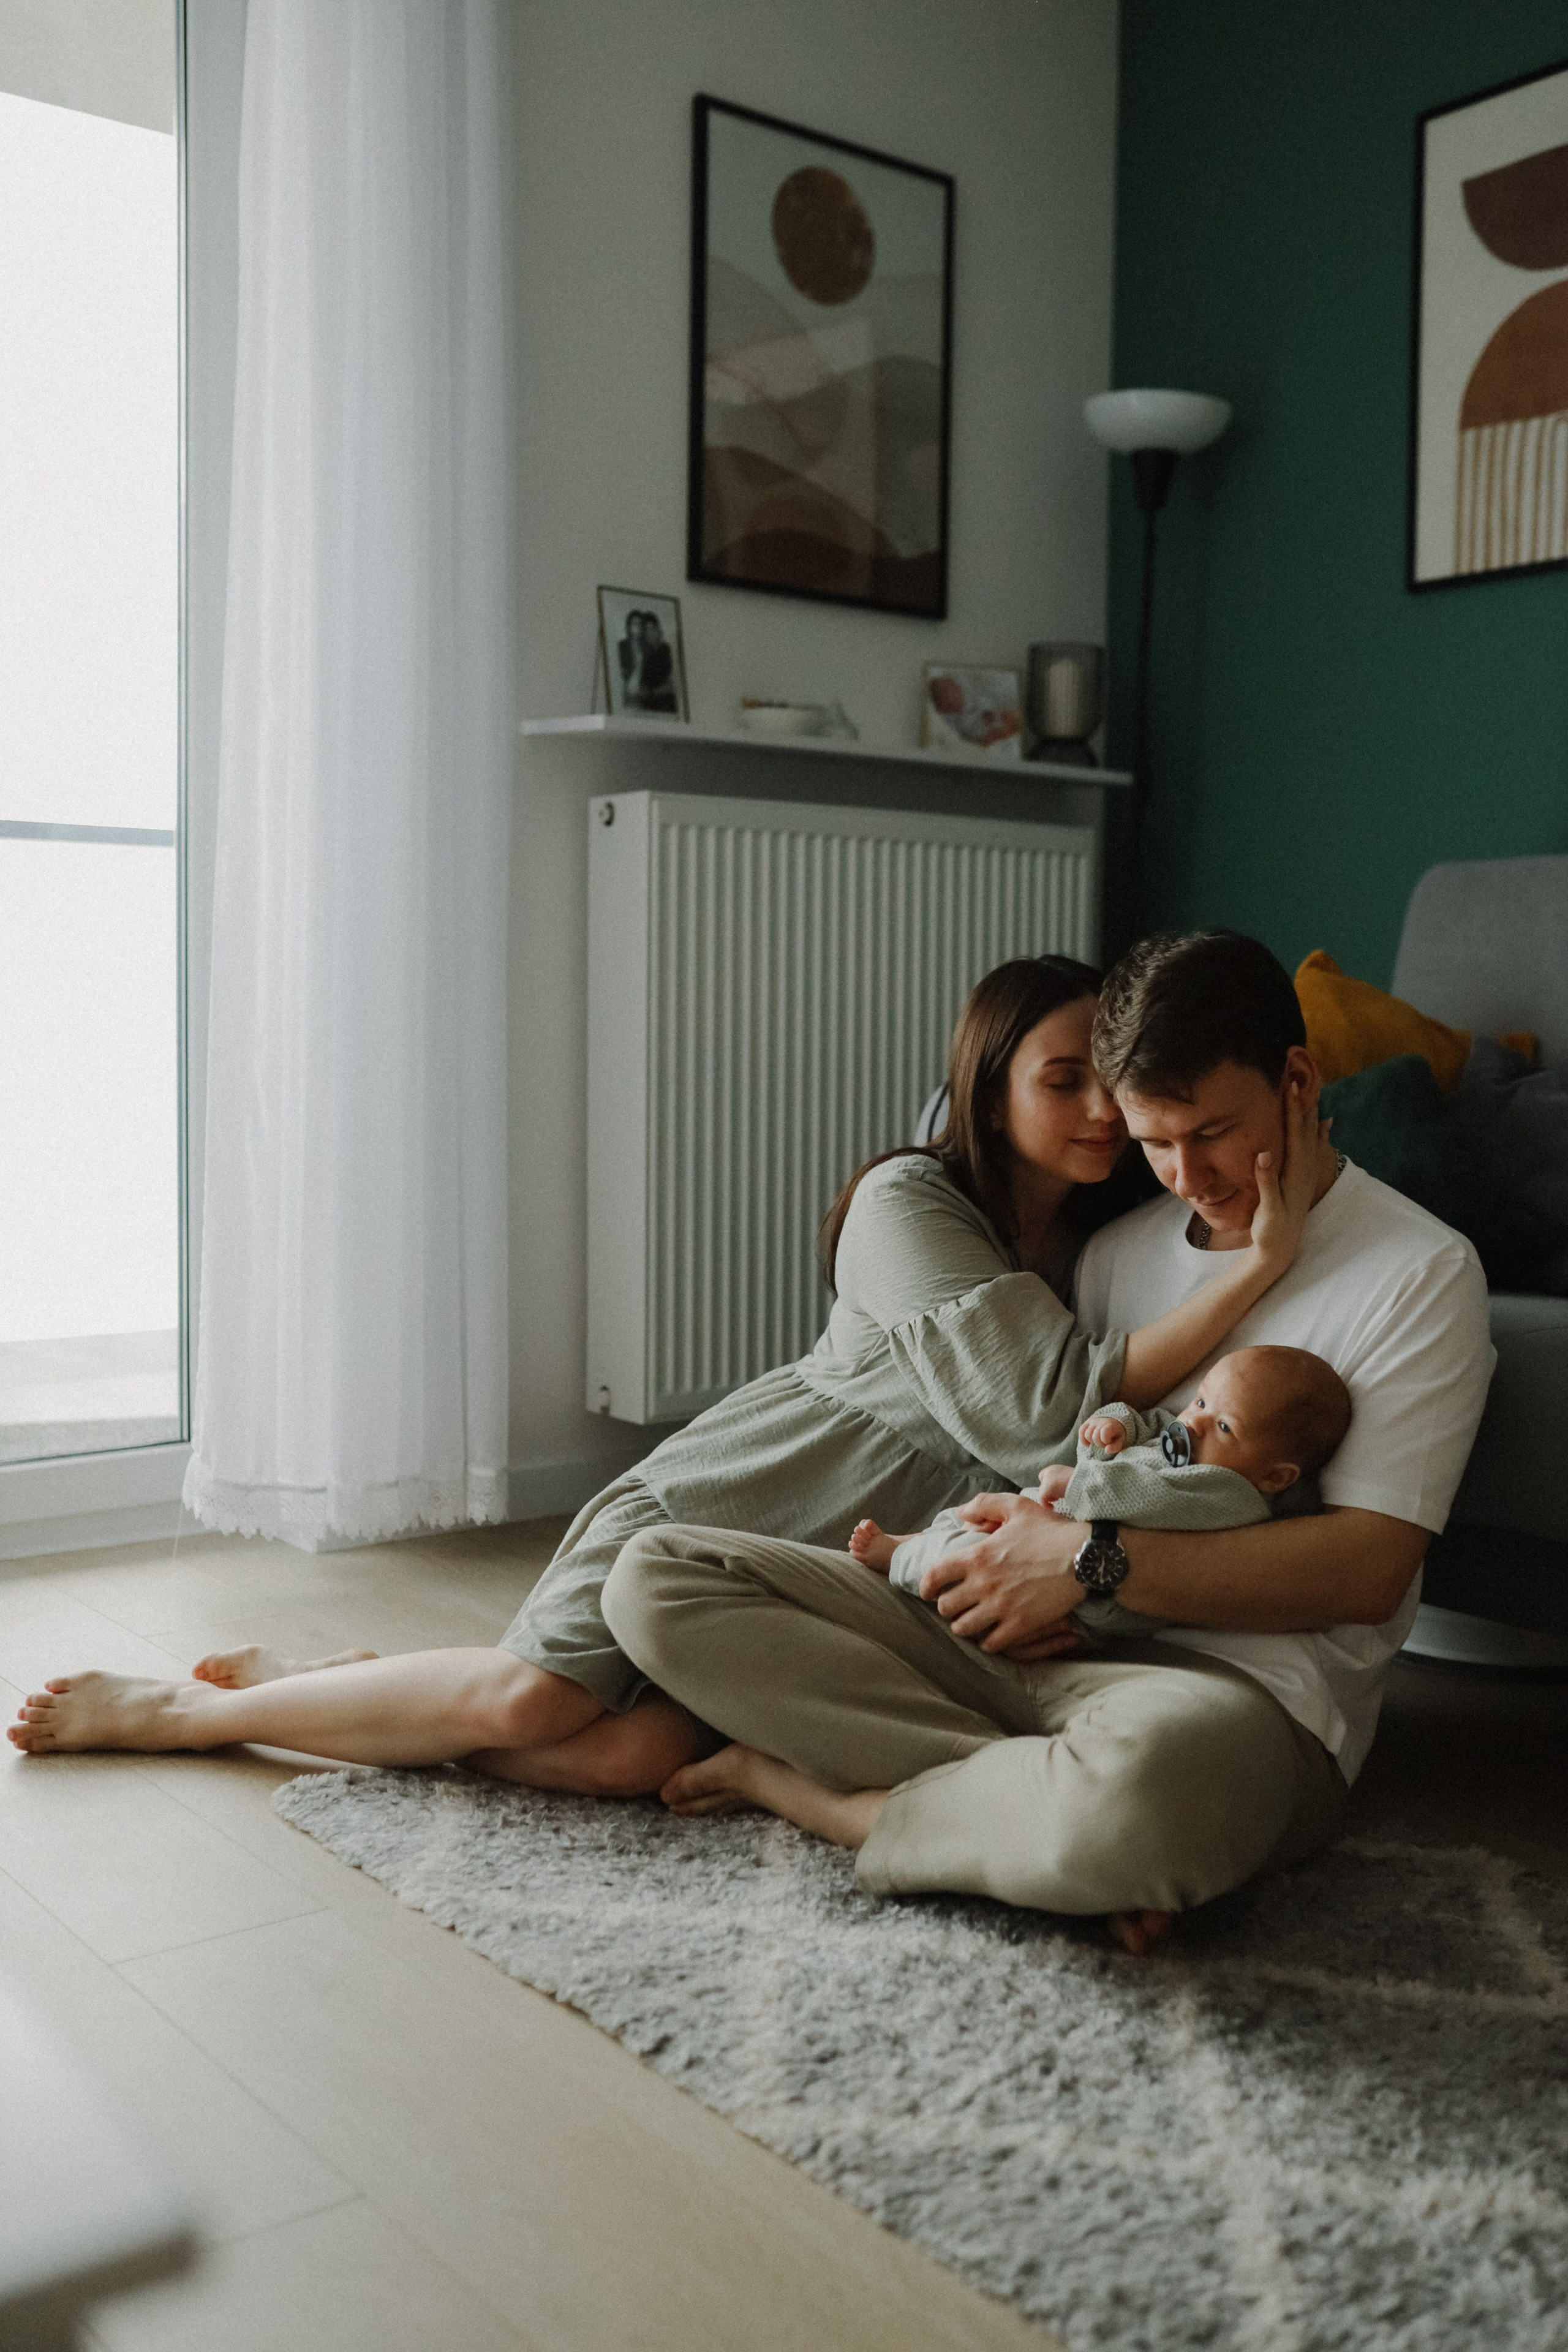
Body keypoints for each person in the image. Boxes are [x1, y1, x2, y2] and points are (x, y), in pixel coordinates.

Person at [7, 957, 1317, 1790]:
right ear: (987, 1094)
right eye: (1062, 1081)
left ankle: (349, 1686)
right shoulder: (906, 1202)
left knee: (630, 1755)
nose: (1102, 1115)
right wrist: (1263, 1262)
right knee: (528, 1699)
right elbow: (1039, 1408)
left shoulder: (1099, 1249)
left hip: (826, 1580)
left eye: (1110, 1092)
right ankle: (185, 1713)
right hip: (733, 1500)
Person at [598, 930, 1494, 1954]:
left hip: (1224, 1698)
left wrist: (1087, 1565)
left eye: (1213, 1133)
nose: (1189, 1175)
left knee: (1141, 1795)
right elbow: (1048, 1461)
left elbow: (1366, 1573)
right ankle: (1038, 1820)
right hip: (1025, 1651)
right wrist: (1002, 1564)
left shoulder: (1420, 1272)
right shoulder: (1113, 1255)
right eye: (1156, 1142)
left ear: (1297, 1082)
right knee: (658, 1578)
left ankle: (830, 1795)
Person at [851, 1343, 1353, 1645]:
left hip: (1094, 1596)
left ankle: (903, 1560)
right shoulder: (1187, 1442)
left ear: (1275, 1477)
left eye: (1224, 1426)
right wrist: (1118, 1425)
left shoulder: (1231, 1496)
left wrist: (1081, 1484)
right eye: (1201, 1401)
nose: (1195, 1423)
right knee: (969, 1522)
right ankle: (921, 1538)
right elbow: (1152, 1423)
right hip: (1058, 1532)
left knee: (963, 1553)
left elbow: (1153, 1499)